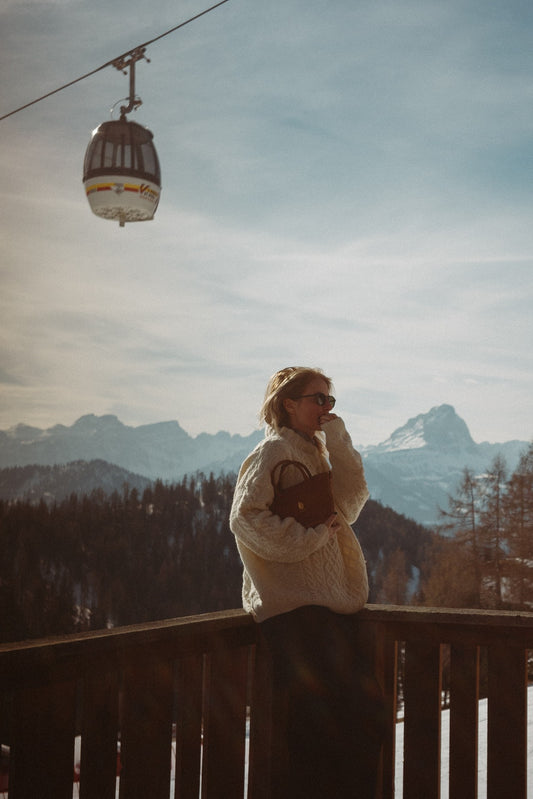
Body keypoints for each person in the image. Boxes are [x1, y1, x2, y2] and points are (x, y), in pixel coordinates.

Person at [230, 367, 385, 799]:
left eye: (330, 401)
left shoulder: (315, 452)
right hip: (295, 614)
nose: (326, 408)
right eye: (318, 399)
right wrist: (311, 537)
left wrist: (339, 441)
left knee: (359, 722)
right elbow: (244, 519)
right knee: (320, 733)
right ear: (289, 403)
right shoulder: (271, 452)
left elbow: (350, 505)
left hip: (329, 609)